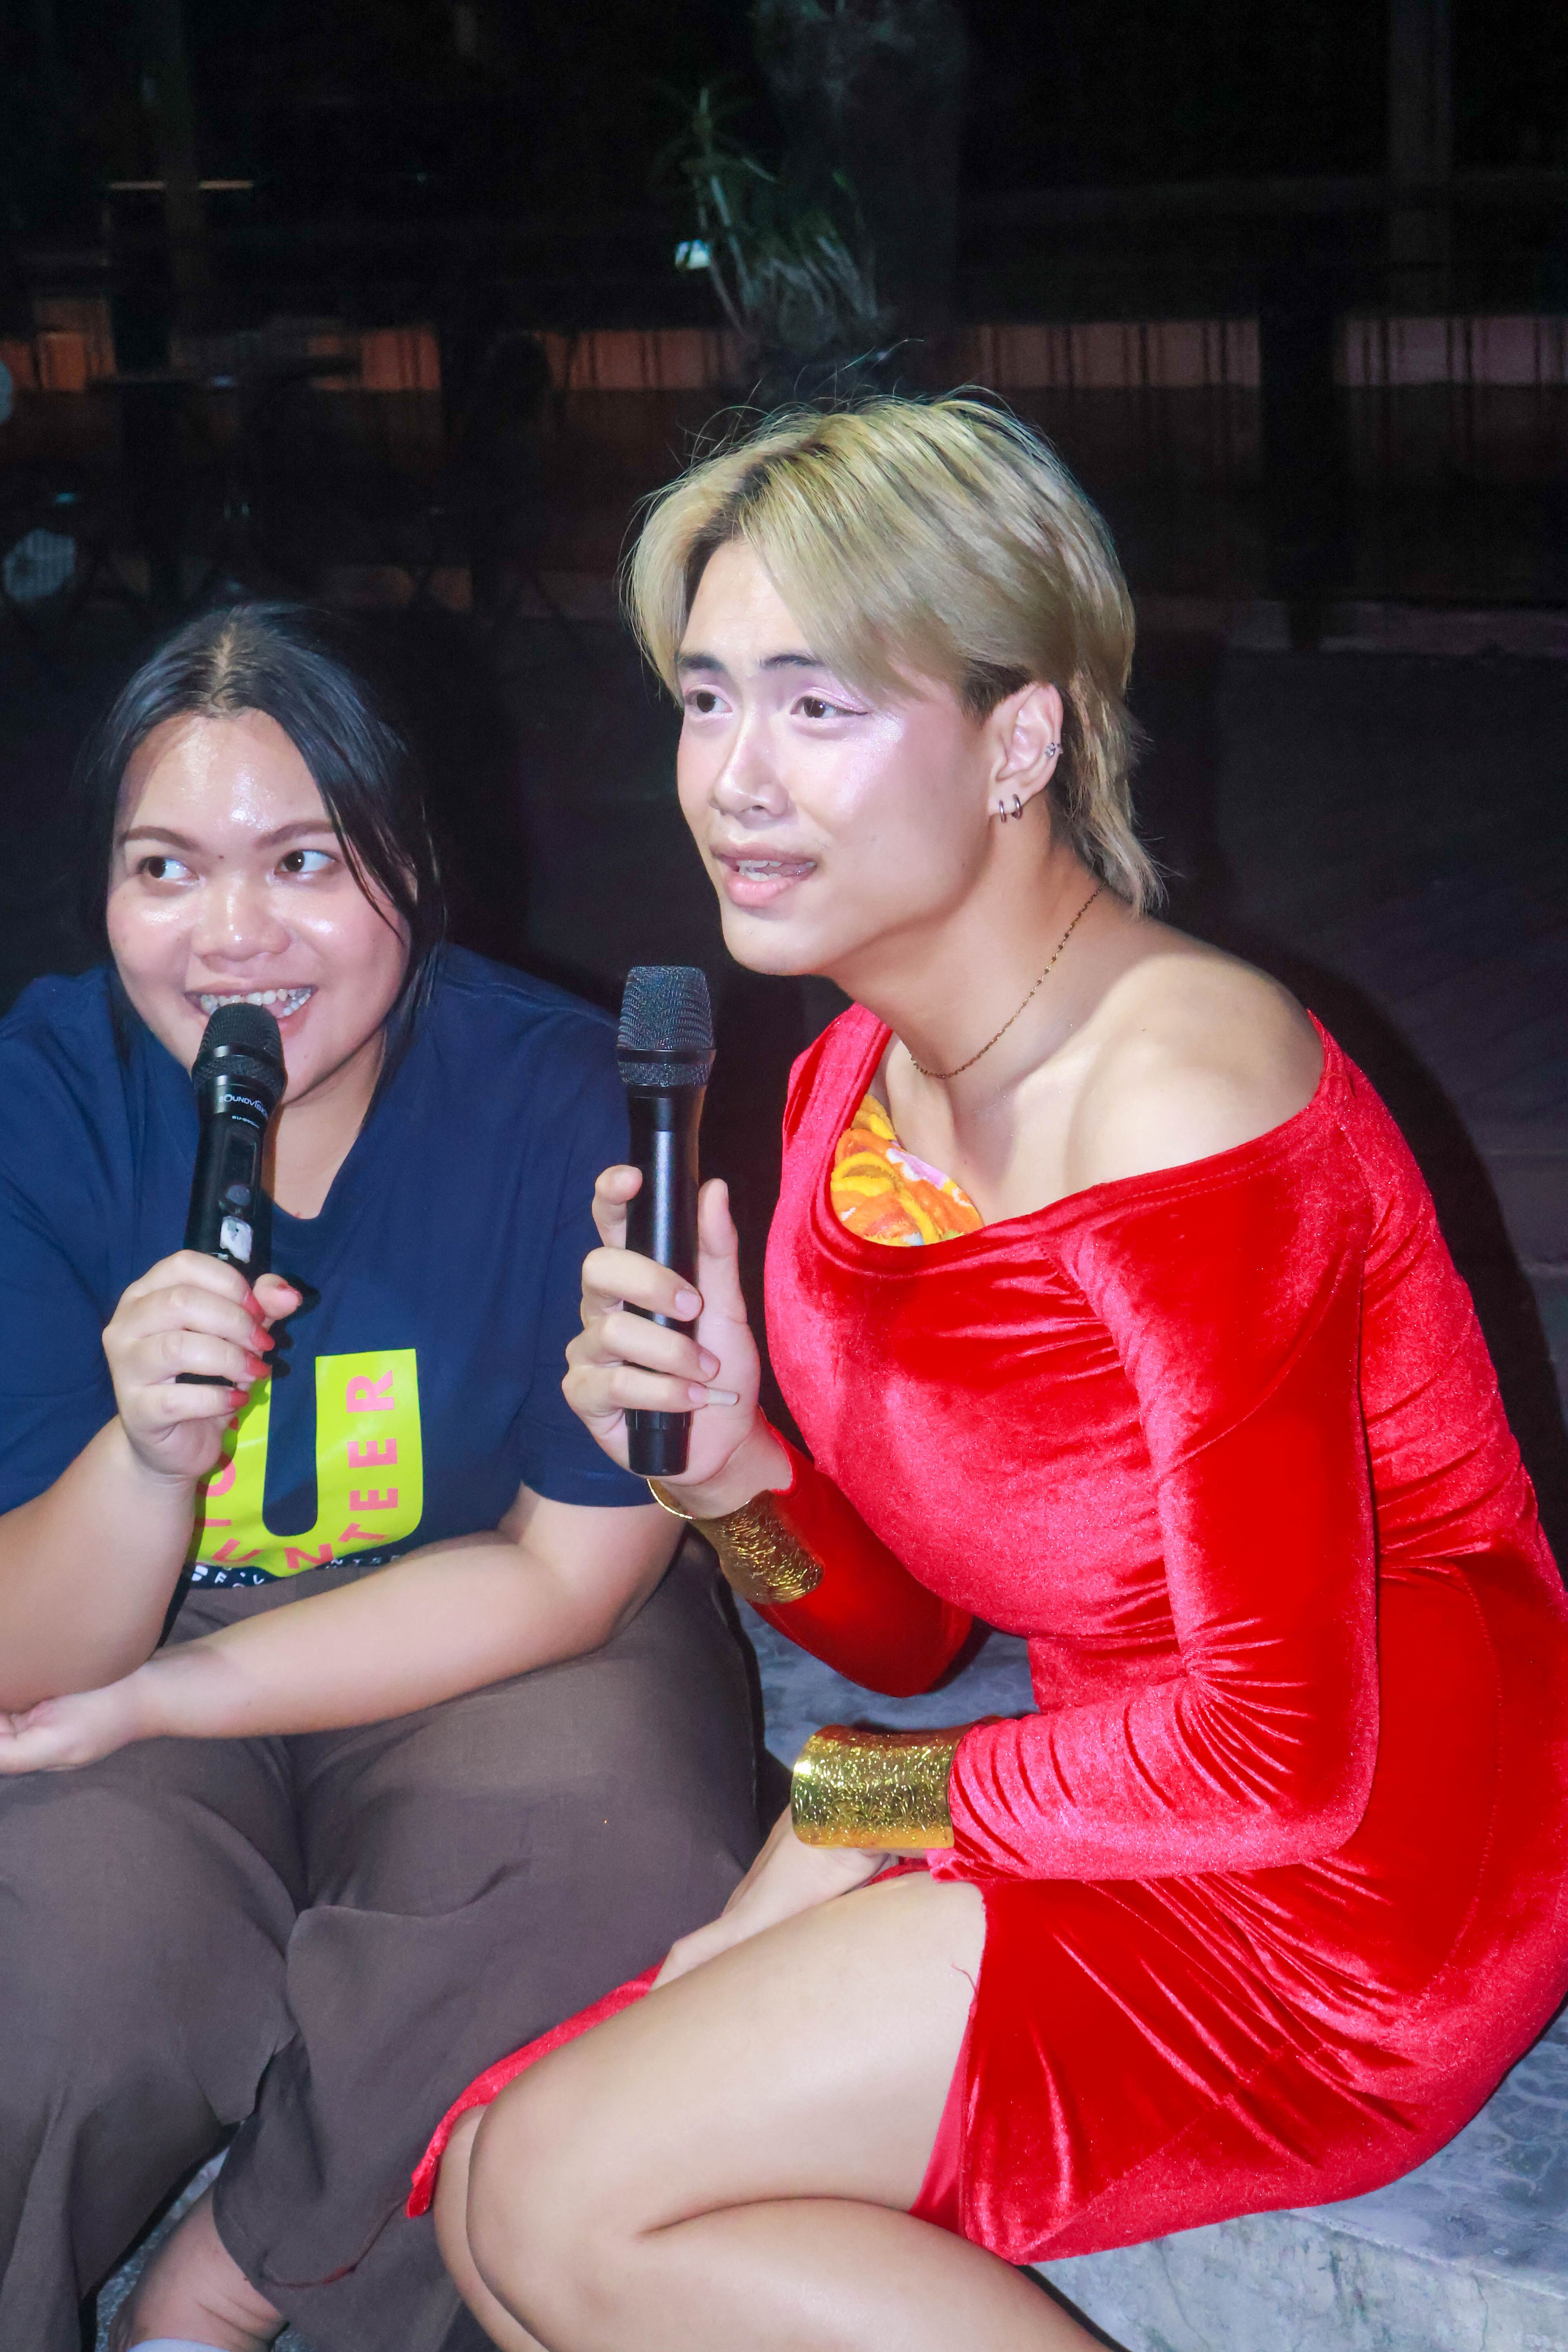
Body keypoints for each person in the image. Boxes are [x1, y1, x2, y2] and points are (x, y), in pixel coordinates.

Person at [419, 398, 1568, 2352]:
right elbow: (908, 1637)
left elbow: (1279, 1751)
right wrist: (727, 1476)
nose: (733, 780)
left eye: (818, 705)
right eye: (705, 700)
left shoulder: (1180, 1094)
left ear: (1021, 741)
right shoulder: (849, 1094)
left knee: (557, 2189)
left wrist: (850, 1814)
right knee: (494, 2200)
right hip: (1109, 1787)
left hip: (1369, 1858)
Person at [0, 603, 761, 2352]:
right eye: (165, 869)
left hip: (487, 1630)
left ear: (414, 863)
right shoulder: (39, 1107)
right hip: (127, 1637)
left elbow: (569, 1573)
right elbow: (30, 1655)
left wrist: (174, 1697)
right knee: (57, 1961)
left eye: (304, 861)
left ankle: (246, 2278)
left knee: (613, 1868)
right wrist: (145, 1461)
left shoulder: (564, 1098)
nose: (232, 938)